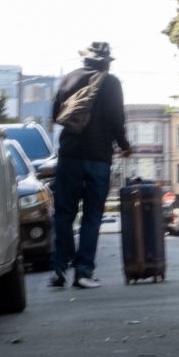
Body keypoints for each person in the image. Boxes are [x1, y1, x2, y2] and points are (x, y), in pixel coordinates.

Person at [50, 41, 130, 288]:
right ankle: (83, 272)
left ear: (85, 59)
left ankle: (59, 268)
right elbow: (117, 119)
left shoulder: (68, 79)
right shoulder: (112, 82)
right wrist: (124, 145)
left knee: (64, 214)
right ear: (107, 61)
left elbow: (55, 114)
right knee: (92, 216)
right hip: (98, 159)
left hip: (69, 156)